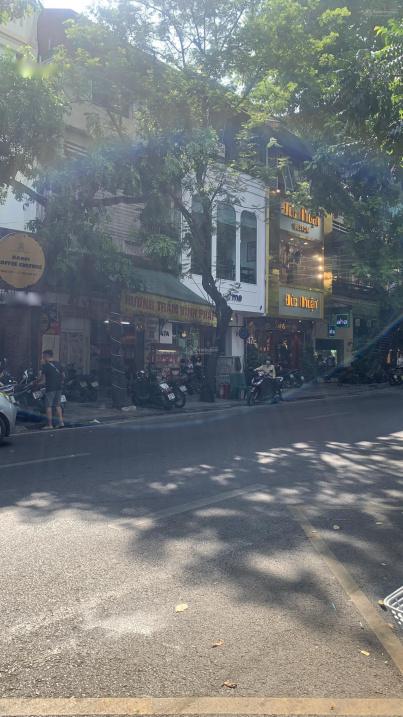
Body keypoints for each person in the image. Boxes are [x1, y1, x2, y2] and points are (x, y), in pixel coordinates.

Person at [40, 350, 65, 429]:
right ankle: (61, 422)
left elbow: (42, 380)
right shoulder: (59, 364)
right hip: (59, 387)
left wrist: (36, 383)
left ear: (46, 356)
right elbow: (63, 376)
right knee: (58, 405)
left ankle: (49, 425)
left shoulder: (45, 366)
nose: (43, 358)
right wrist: (60, 382)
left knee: (48, 406)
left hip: (50, 388)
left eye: (43, 356)